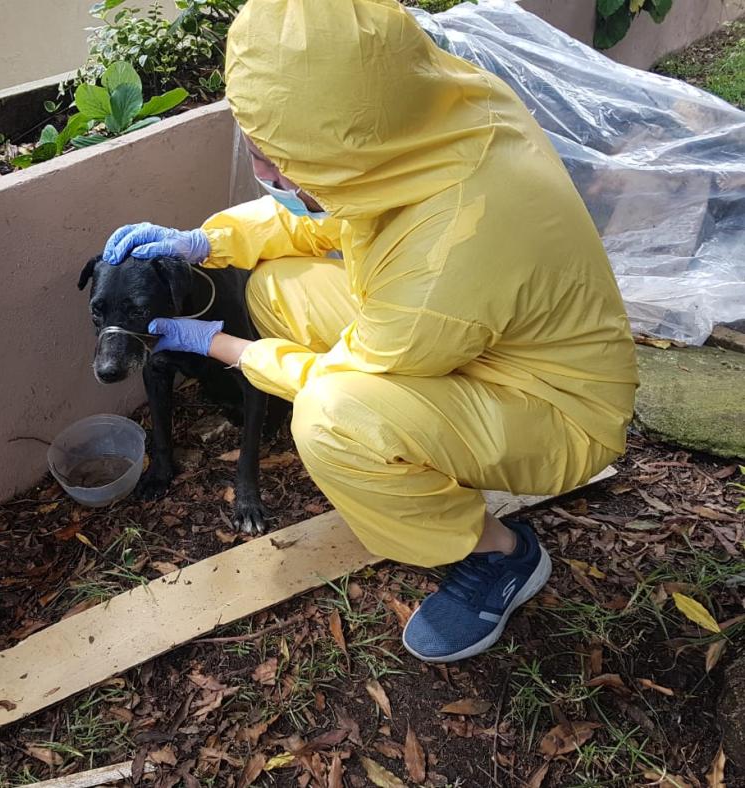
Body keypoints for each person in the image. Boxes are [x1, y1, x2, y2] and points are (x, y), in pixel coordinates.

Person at [100, 0, 638, 663]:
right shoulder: (429, 115)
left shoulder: (450, 254)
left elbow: (338, 379)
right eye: (259, 148)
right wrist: (207, 241)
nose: (268, 174)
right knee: (274, 287)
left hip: (555, 407)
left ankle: (500, 556)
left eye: (281, 159)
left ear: (341, 145)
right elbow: (337, 213)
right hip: (482, 330)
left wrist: (218, 345)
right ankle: (417, 448)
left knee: (332, 421)